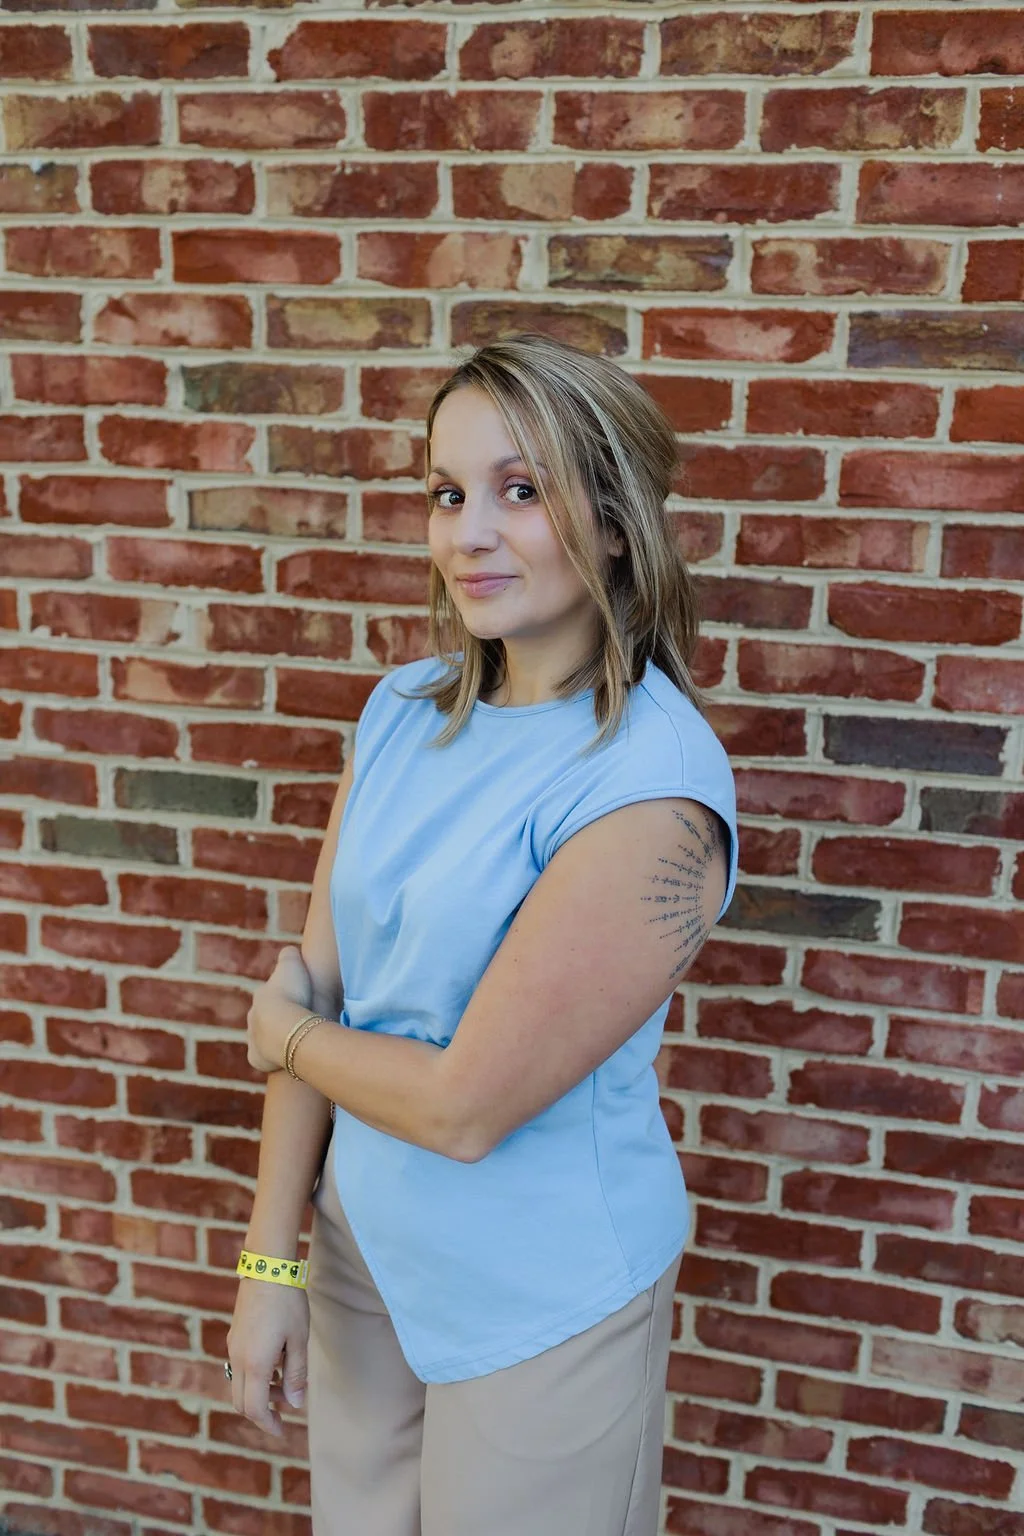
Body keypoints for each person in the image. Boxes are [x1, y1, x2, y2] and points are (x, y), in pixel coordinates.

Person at [226, 331, 738, 1536]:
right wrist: (270, 1265)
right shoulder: (401, 713)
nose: (469, 534)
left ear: (614, 522)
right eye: (448, 494)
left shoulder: (649, 788)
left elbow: (462, 1108)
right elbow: (317, 979)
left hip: (539, 1296)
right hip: (364, 1260)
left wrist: (285, 1039)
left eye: (519, 490)